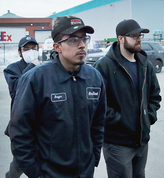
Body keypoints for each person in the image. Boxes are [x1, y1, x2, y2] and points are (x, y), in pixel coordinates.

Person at [9, 15, 107, 178]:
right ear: (57, 47)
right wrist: (36, 173)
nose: (82, 45)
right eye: (73, 40)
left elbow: (98, 124)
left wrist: (93, 158)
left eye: (84, 39)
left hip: (85, 171)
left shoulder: (95, 78)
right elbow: (20, 133)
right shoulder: (36, 79)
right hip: (50, 172)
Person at [95, 19, 161, 178]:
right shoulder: (105, 66)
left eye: (140, 35)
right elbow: (97, 104)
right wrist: (120, 120)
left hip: (141, 141)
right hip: (117, 144)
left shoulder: (145, 64)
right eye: (134, 36)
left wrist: (148, 117)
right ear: (121, 39)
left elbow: (154, 96)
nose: (139, 39)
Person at [4, 36, 40, 178]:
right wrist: (32, 66)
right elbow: (16, 90)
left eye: (34, 48)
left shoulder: (44, 67)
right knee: (20, 162)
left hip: (41, 124)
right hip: (21, 124)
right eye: (27, 49)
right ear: (20, 52)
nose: (31, 51)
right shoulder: (11, 69)